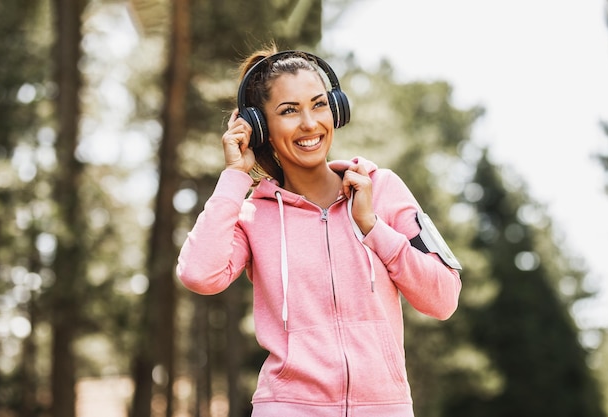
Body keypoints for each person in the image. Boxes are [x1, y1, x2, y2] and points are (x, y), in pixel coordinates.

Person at [176, 45, 462, 417]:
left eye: (319, 104)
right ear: (260, 126)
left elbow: (443, 298)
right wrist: (235, 177)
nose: (310, 123)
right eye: (289, 111)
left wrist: (372, 227)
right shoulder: (253, 214)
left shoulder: (383, 188)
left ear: (336, 109)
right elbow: (198, 274)